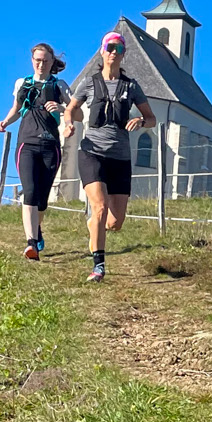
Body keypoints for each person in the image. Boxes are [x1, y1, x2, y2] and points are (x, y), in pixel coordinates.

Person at [64, 32, 155, 283]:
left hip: (121, 158)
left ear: (123, 54)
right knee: (100, 207)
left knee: (115, 222)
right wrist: (68, 123)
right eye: (109, 47)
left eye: (118, 48)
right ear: (102, 51)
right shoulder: (89, 83)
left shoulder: (131, 86)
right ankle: (98, 266)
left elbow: (152, 118)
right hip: (92, 152)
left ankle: (95, 225)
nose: (113, 52)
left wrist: (140, 120)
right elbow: (70, 109)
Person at [0, 43, 71, 260]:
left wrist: (63, 110)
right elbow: (17, 109)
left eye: (45, 60)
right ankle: (31, 244)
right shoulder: (23, 83)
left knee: (42, 199)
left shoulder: (60, 86)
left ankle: (37, 231)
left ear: (51, 62)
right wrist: (5, 122)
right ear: (32, 61)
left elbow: (76, 113)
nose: (41, 64)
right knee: (29, 190)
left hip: (50, 146)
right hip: (26, 144)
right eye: (37, 60)